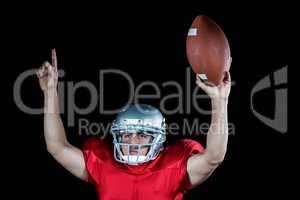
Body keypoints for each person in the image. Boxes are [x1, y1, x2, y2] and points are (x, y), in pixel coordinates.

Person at [36, 49, 231, 200]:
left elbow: (214, 156)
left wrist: (219, 102)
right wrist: (50, 92)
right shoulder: (102, 164)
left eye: (142, 134)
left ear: (158, 138)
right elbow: (57, 146)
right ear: (117, 136)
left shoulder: (173, 166)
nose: (133, 140)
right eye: (126, 134)